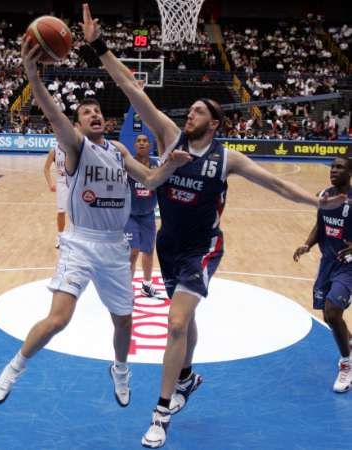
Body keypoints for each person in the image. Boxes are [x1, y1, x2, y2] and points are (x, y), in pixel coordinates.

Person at [81, 5, 347, 448]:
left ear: (215, 122)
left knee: (177, 322)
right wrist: (98, 45)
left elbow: (279, 185)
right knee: (185, 322)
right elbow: (130, 87)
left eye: (199, 112)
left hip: (204, 247)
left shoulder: (229, 159)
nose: (190, 115)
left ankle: (160, 415)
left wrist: (319, 201)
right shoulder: (168, 135)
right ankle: (185, 376)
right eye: (190, 110)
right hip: (169, 244)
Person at [0, 34, 191, 409]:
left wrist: (170, 164)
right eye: (86, 113)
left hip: (116, 244)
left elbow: (148, 180)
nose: (95, 114)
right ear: (78, 124)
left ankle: (119, 368)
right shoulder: (75, 146)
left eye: (98, 111)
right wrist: (33, 74)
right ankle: (12, 370)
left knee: (124, 322)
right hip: (80, 242)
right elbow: (52, 113)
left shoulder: (117, 150)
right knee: (58, 319)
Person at [293, 156, 352, 393]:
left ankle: (346, 364)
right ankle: (349, 343)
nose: (334, 170)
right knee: (329, 318)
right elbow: (320, 225)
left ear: (350, 172)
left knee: (332, 310)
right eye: (333, 167)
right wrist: (307, 245)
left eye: (340, 167)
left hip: (348, 267)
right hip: (327, 263)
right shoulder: (324, 196)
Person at [125, 134, 162, 297]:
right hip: (130, 215)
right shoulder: (128, 164)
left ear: (150, 145)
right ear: (134, 145)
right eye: (138, 141)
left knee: (148, 250)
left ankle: (146, 286)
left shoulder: (157, 164)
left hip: (148, 215)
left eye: (144, 141)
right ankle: (126, 289)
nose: (141, 143)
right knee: (133, 251)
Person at [43, 145, 68, 248]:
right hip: (61, 183)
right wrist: (50, 184)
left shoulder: (75, 148)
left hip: (75, 182)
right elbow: (46, 168)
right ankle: (60, 236)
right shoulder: (54, 150)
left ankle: (77, 238)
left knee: (77, 213)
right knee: (61, 211)